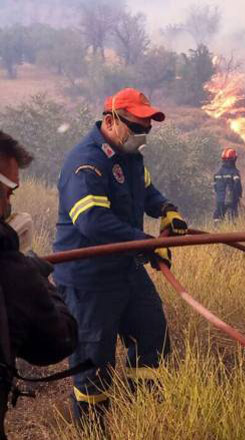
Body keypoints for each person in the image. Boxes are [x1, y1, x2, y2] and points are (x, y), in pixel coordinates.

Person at [52, 88, 188, 426]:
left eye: (148, 128)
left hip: (126, 270)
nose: (144, 134)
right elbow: (93, 222)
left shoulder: (130, 156)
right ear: (111, 121)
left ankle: (140, 416)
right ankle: (92, 430)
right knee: (93, 364)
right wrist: (147, 243)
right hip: (89, 279)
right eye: (138, 126)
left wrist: (166, 209)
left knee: (152, 335)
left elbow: (146, 191)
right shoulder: (86, 163)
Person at [0, 131, 78, 439]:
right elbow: (59, 341)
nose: (9, 207)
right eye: (8, 193)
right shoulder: (13, 273)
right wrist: (39, 278)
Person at [212, 148, 242, 221]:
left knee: (218, 219)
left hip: (219, 201)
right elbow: (238, 186)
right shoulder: (234, 172)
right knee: (232, 219)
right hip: (231, 201)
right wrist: (238, 196)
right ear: (234, 159)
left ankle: (216, 231)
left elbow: (215, 187)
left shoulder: (217, 173)